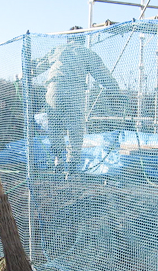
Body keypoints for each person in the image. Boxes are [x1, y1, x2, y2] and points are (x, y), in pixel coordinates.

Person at [33, 27, 119, 175]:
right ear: (83, 39)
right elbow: (102, 74)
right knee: (75, 129)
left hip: (55, 90)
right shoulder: (86, 52)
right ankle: (72, 165)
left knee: (55, 127)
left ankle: (58, 161)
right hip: (74, 92)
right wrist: (115, 90)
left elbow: (38, 66)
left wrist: (25, 72)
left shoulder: (58, 49)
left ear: (68, 39)